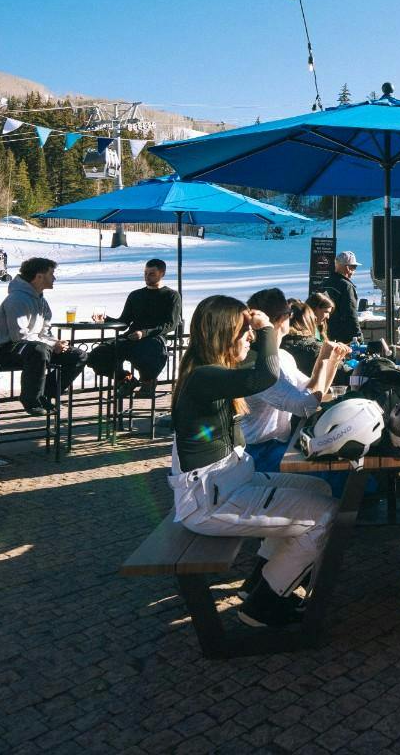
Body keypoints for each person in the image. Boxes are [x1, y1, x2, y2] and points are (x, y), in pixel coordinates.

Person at [169, 294, 338, 627]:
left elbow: (260, 369)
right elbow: (264, 376)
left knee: (317, 487)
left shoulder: (212, 371)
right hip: (209, 501)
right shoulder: (204, 376)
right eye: (243, 331)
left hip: (229, 483)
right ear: (224, 333)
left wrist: (265, 337)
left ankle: (260, 582)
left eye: (250, 331)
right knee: (327, 515)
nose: (248, 337)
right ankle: (266, 604)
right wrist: (266, 330)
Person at [242, 288, 349, 473]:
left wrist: (332, 361)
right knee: (342, 473)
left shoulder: (282, 355)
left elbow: (315, 392)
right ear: (282, 319)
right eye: (289, 314)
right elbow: (306, 406)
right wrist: (323, 358)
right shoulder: (260, 365)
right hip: (259, 454)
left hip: (279, 444)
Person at [0, 257, 87, 416]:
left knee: (78, 356)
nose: (54, 278)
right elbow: (19, 336)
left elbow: (44, 332)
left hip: (34, 346)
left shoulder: (41, 300)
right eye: (51, 274)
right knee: (39, 351)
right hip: (9, 349)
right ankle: (30, 399)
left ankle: (44, 393)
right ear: (39, 276)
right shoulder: (17, 299)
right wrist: (50, 345)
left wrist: (56, 343)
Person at [86, 258, 182, 397]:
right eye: (145, 273)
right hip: (131, 337)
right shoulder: (136, 295)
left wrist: (144, 333)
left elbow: (170, 324)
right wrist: (106, 320)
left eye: (151, 274)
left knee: (148, 351)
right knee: (97, 355)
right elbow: (124, 322)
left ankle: (148, 381)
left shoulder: (171, 296)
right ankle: (125, 379)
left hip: (154, 338)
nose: (147, 277)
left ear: (162, 273)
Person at [321, 252, 362, 344]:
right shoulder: (346, 286)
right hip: (343, 338)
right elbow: (350, 313)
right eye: (354, 267)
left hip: (325, 334)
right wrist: (358, 335)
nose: (354, 271)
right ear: (348, 268)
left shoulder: (325, 283)